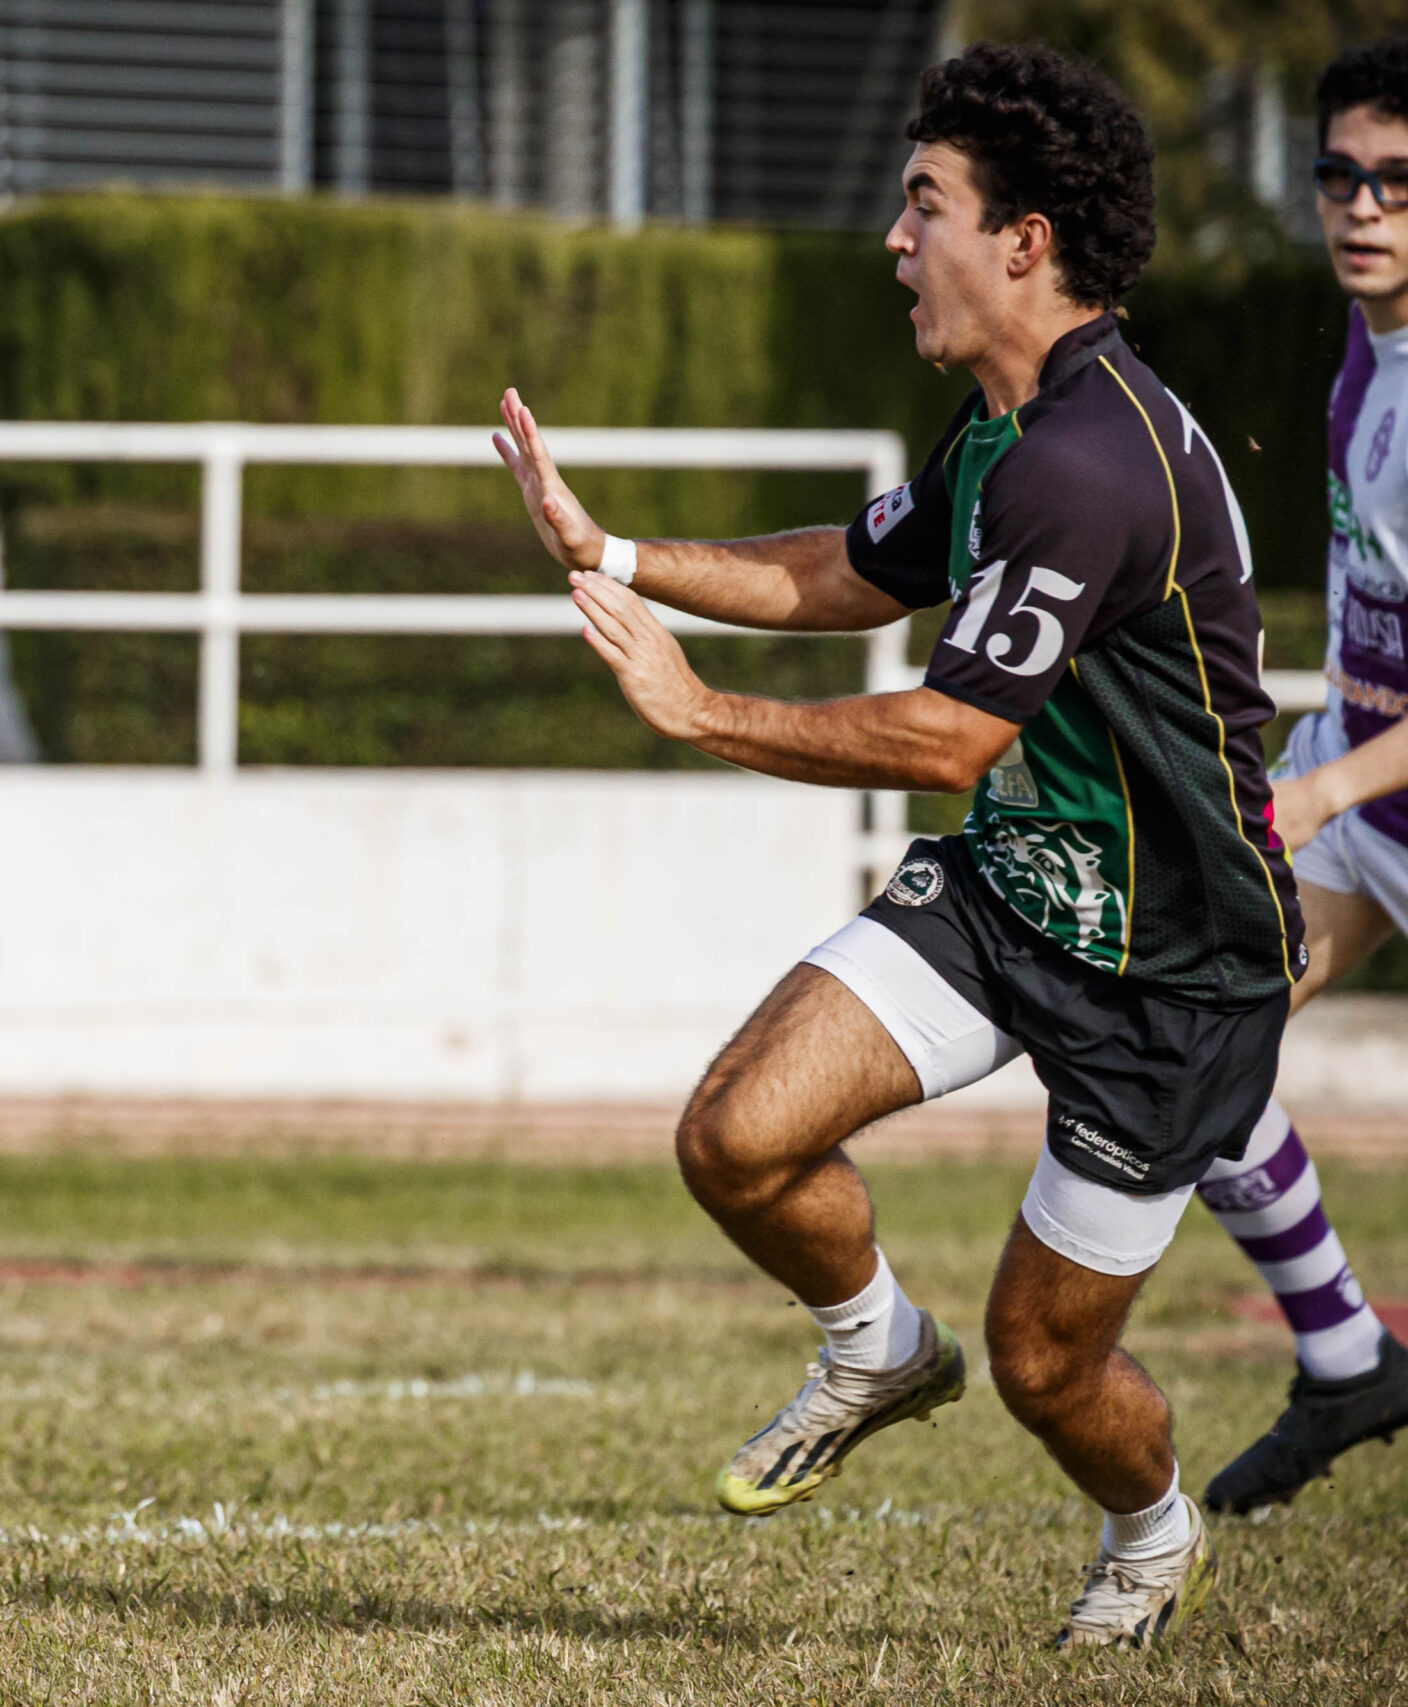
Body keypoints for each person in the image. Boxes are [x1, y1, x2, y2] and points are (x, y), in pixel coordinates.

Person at [497, 44, 1285, 1649]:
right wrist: (618, 551)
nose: (893, 239)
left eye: (922, 205)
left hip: (1175, 970)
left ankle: (1150, 1531)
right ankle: (870, 1343)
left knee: (1046, 1365)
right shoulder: (1006, 428)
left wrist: (699, 711)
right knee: (735, 1137)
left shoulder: (1089, 463)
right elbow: (859, 574)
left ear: (1027, 241)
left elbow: (944, 736)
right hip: (1014, 893)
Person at [1194, 36, 1408, 1517]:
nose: (1362, 207)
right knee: (1184, 1044)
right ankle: (1347, 1362)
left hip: (1361, 789)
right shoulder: (1365, 337)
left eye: (1399, 183)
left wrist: (1320, 792)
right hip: (1364, 772)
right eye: (1340, 175)